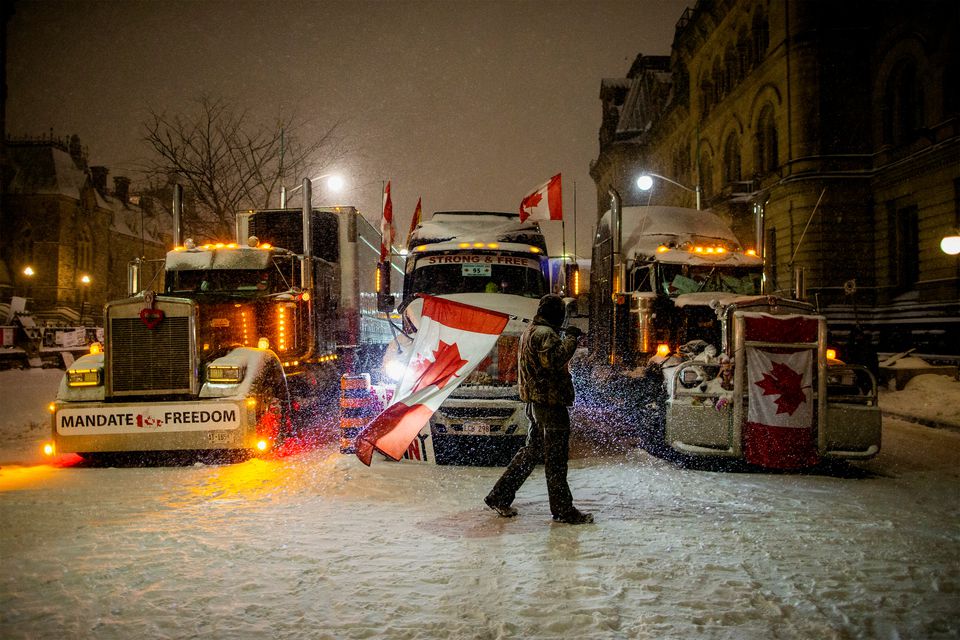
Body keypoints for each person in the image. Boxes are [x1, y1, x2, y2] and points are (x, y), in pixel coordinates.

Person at [484, 294, 593, 525]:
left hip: (535, 403)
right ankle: (563, 510)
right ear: (556, 313)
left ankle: (499, 496)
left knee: (532, 453)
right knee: (556, 459)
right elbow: (553, 360)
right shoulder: (544, 334)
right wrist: (571, 338)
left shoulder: (531, 331)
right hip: (549, 404)